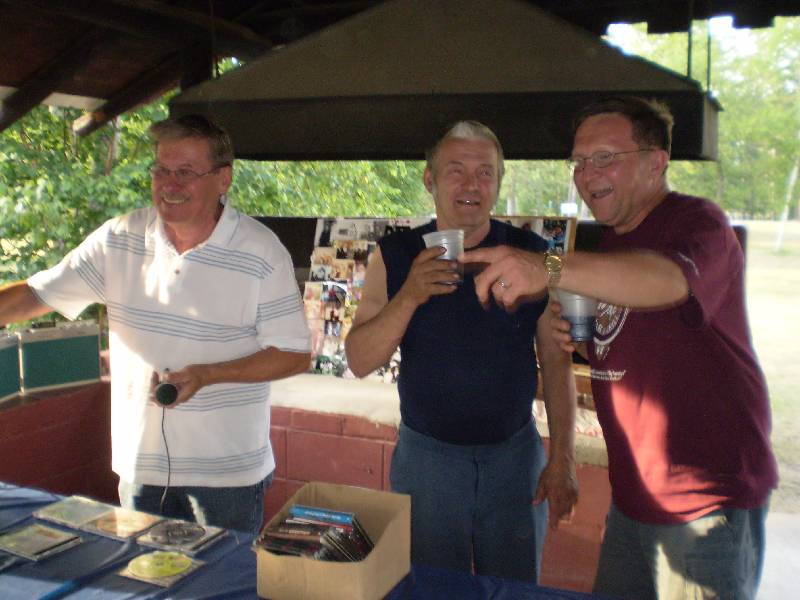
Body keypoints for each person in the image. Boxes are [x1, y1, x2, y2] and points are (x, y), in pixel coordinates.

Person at [462, 97, 778, 599]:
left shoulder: (698, 223)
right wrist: (584, 344)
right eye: (579, 162)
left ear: (656, 162)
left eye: (605, 157)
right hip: (632, 502)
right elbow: (637, 344)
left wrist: (546, 266)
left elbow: (670, 282)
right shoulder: (613, 242)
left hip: (703, 503)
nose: (587, 174)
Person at [0, 114, 311, 535]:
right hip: (140, 467)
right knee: (144, 572)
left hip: (227, 474)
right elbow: (38, 293)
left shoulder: (261, 251)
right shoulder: (118, 238)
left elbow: (293, 354)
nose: (169, 184)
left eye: (186, 172)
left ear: (223, 179)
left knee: (220, 576)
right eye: (161, 170)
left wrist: (208, 374)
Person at [345, 121, 578, 582]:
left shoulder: (539, 253)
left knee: (514, 590)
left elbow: (558, 360)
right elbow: (359, 359)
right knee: (432, 589)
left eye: (485, 173)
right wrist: (410, 295)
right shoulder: (392, 254)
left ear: (499, 183)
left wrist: (563, 460)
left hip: (515, 458)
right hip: (426, 460)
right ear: (429, 180)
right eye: (456, 171)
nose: (472, 185)